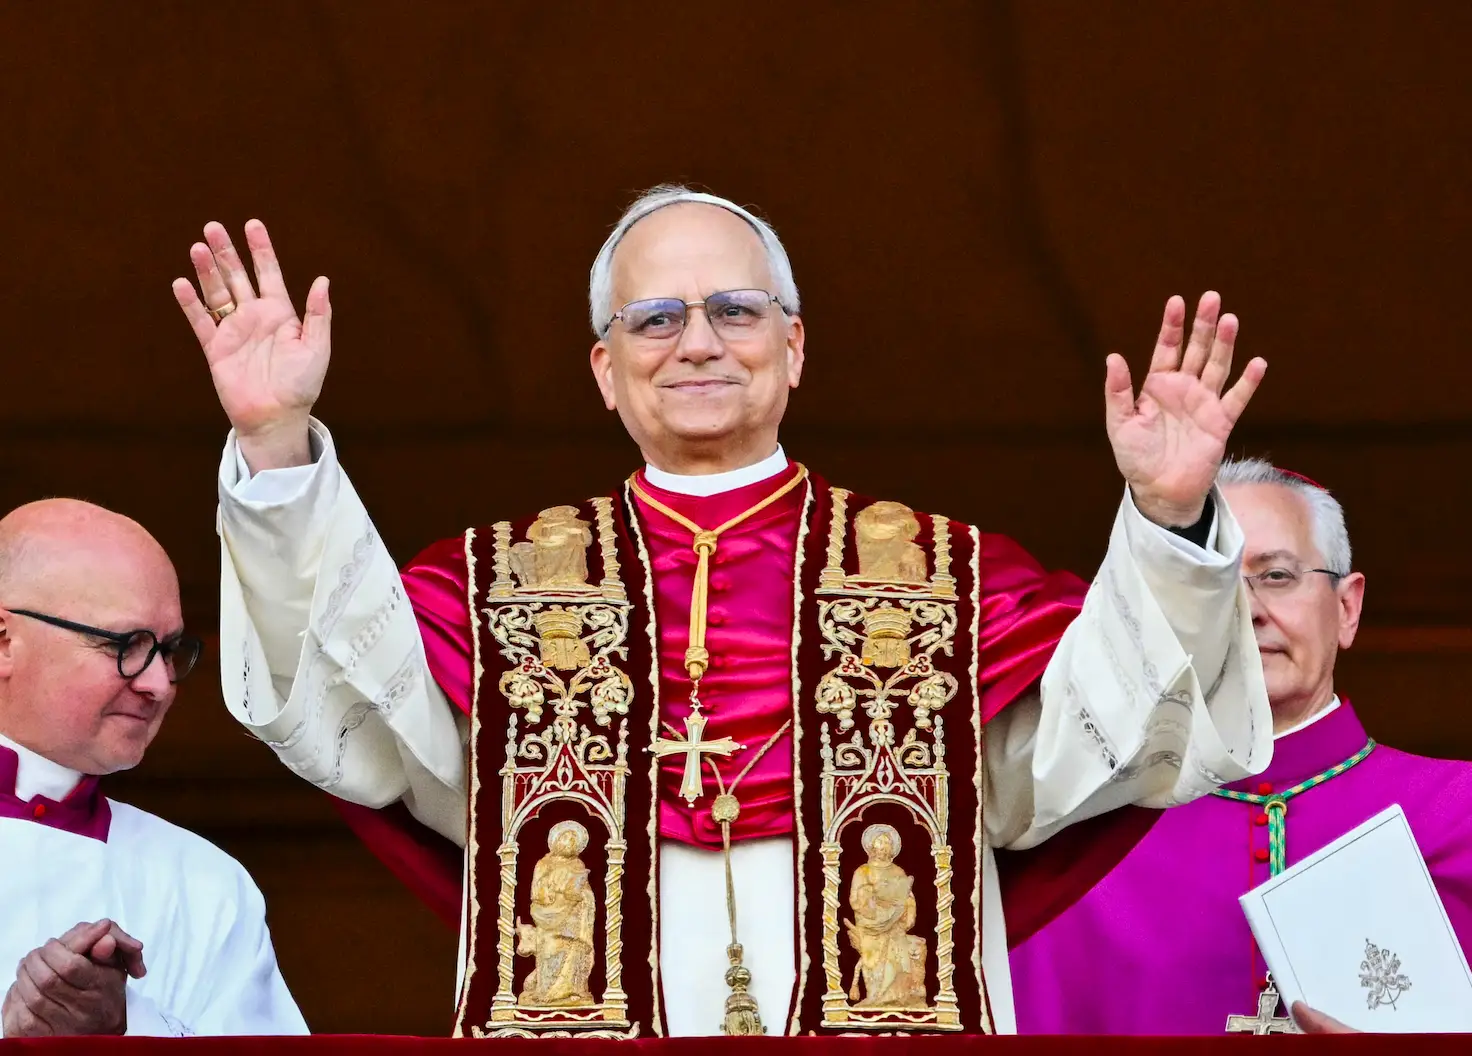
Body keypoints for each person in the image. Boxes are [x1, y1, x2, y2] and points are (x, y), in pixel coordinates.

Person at [174, 185, 1274, 1038]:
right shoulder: (496, 586)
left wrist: (1168, 521)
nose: (697, 341)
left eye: (734, 310)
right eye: (654, 318)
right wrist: (276, 449)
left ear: (793, 347)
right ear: (604, 371)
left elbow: (1105, 747)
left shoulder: (942, 577)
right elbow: (345, 717)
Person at [1009, 459, 1472, 1035]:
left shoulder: (1459, 810)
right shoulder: (1071, 834)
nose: (1249, 609)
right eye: (1215, 583)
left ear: (1347, 608)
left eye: (1277, 575)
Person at [0, 499, 307, 1038]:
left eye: (167, 651)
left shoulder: (207, 883)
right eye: (125, 645)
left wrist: (124, 1032)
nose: (159, 685)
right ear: (4, 642)